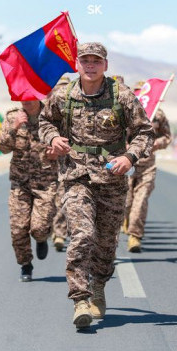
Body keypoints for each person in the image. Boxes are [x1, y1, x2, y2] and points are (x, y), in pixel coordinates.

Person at [39, 42, 153, 329]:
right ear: (77, 63)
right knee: (82, 234)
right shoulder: (63, 94)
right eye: (85, 60)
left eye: (96, 61)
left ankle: (98, 287)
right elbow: (44, 122)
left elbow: (144, 133)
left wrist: (129, 157)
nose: (90, 65)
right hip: (76, 176)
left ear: (105, 64)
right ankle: (80, 299)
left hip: (112, 180)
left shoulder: (122, 96)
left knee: (105, 244)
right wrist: (53, 138)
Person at [0, 100, 58, 282]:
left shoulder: (52, 115)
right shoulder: (12, 116)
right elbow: (2, 147)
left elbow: (67, 143)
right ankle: (25, 264)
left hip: (45, 182)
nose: (27, 101)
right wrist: (14, 127)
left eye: (30, 96)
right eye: (23, 97)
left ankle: (41, 238)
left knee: (38, 227)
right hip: (19, 183)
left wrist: (57, 152)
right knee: (18, 229)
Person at [123, 81, 172, 253]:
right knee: (126, 202)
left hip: (148, 166)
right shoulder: (127, 109)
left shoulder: (158, 114)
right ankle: (126, 220)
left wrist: (155, 144)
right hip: (128, 164)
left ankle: (135, 236)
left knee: (140, 200)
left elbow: (167, 137)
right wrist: (125, 146)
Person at [50, 75, 71, 252]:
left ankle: (60, 232)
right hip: (48, 165)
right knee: (54, 199)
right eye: (58, 87)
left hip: (70, 162)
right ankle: (55, 231)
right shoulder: (47, 110)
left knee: (64, 197)